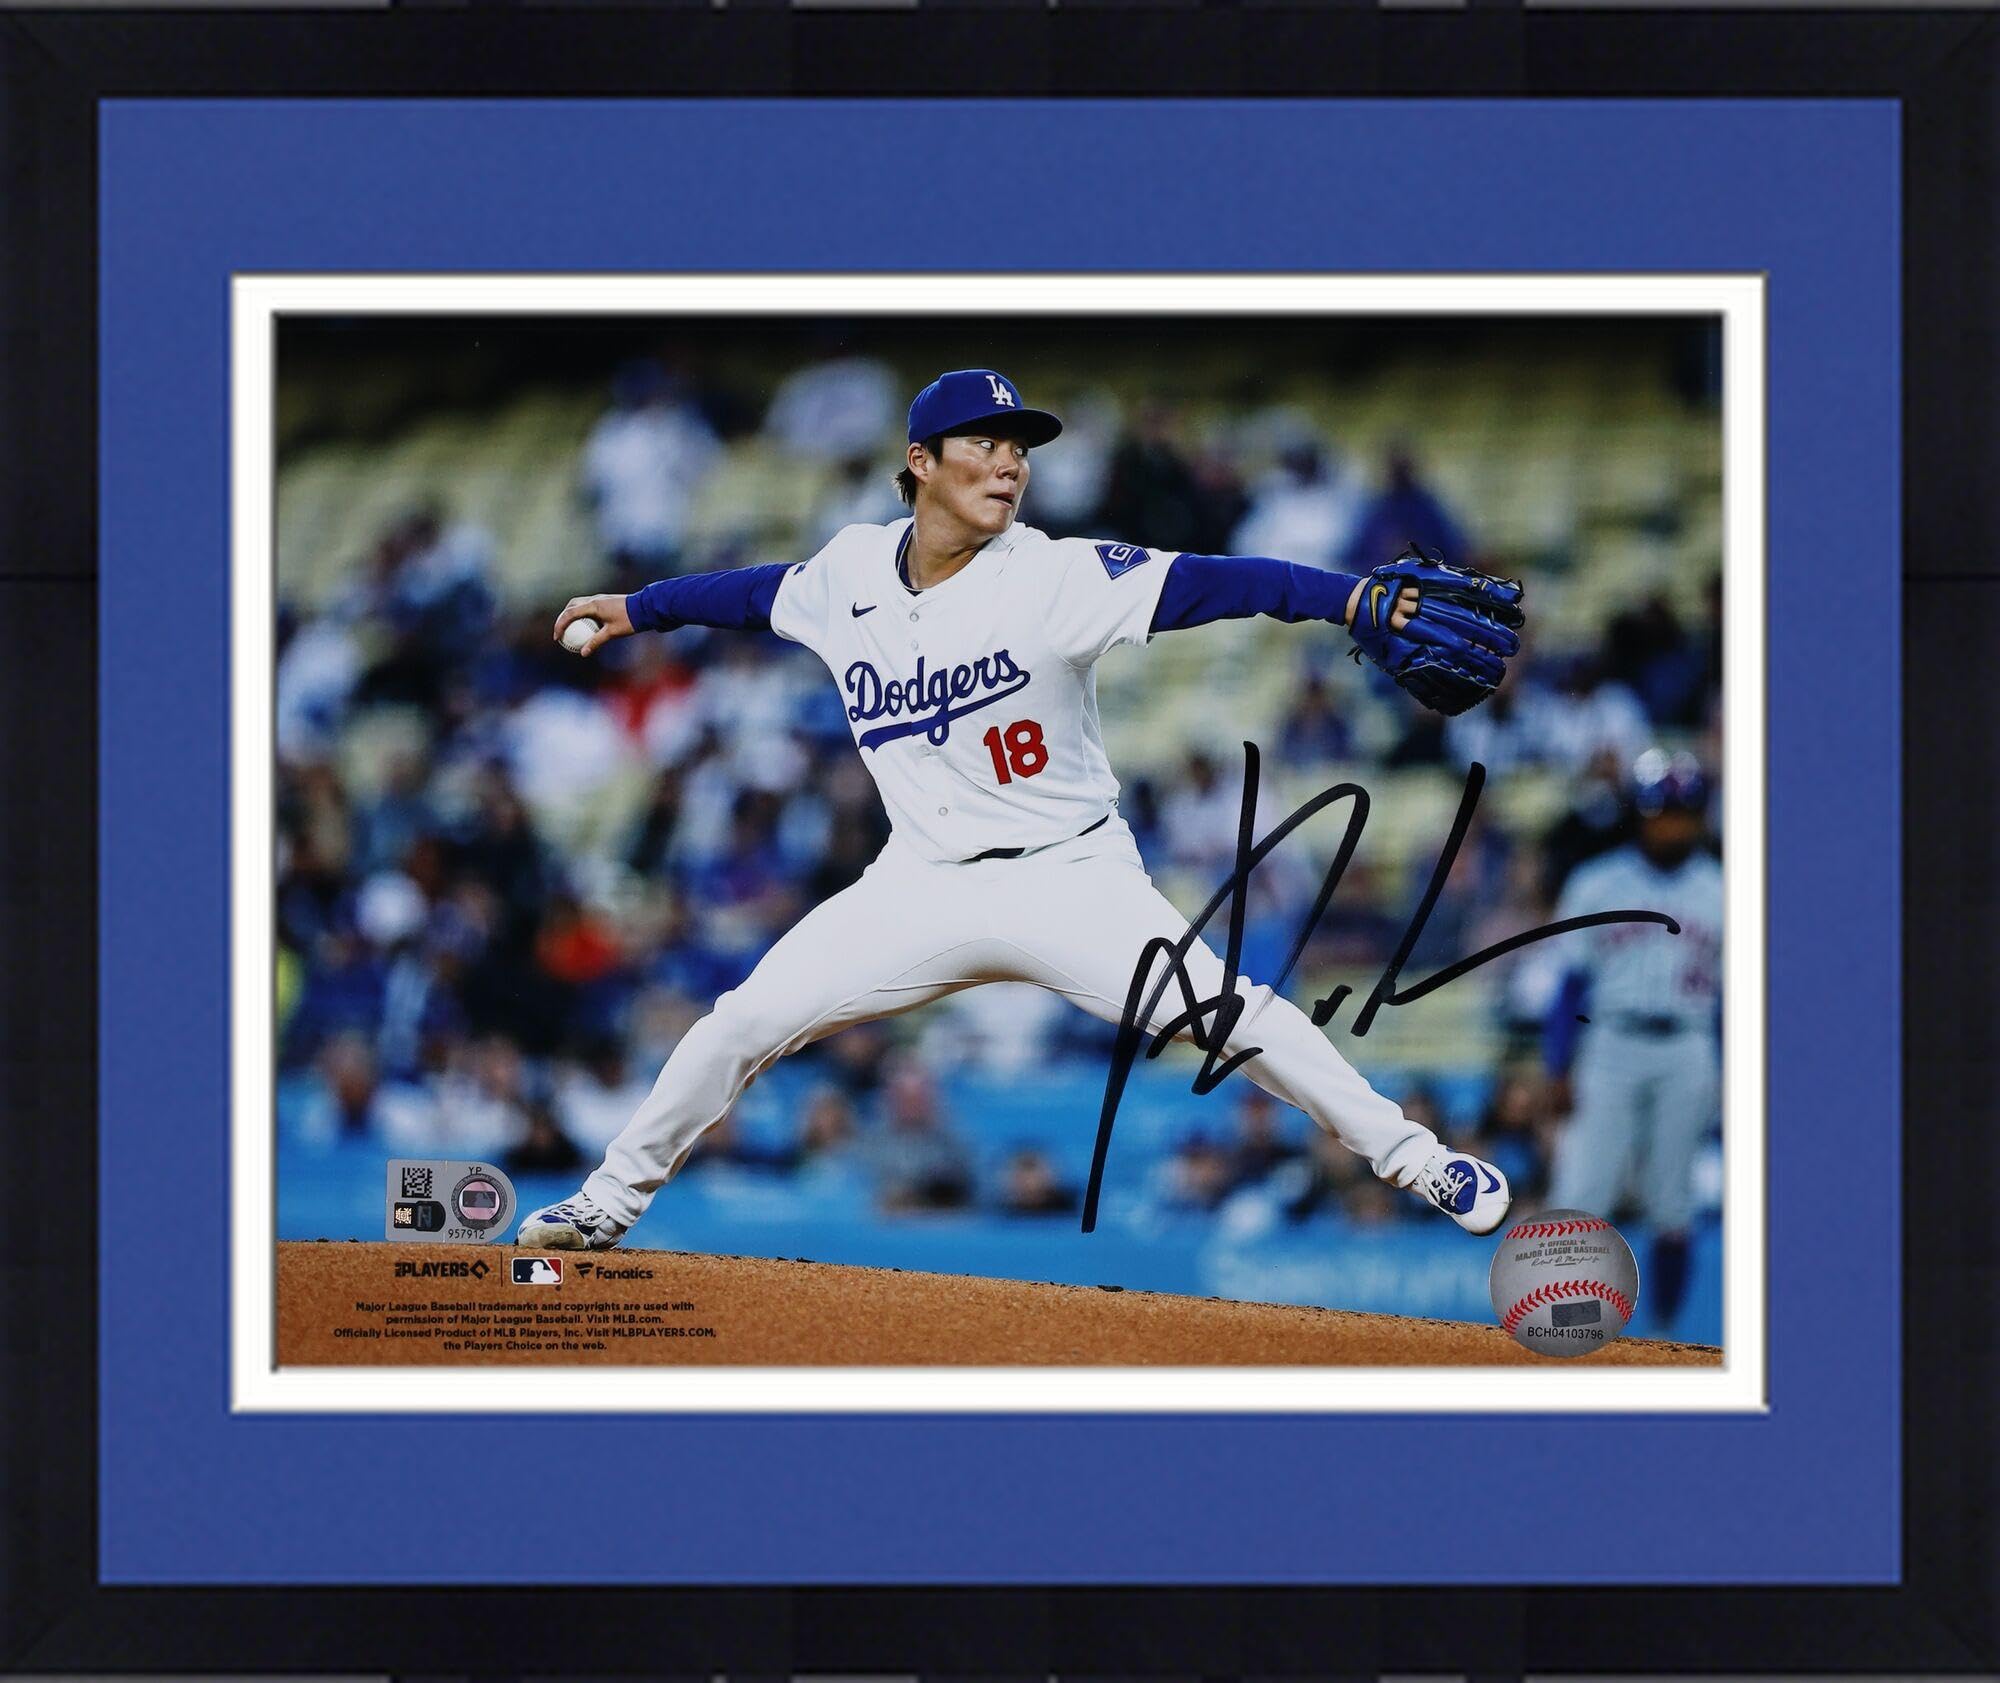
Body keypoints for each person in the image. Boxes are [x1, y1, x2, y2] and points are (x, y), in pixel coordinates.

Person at [518, 369, 1518, 1252]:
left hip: (1069, 879)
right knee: (739, 1023)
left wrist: (1347, 601)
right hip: (915, 884)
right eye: (984, 445)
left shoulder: (1052, 574)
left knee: (1227, 1018)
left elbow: (1221, 583)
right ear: (919, 462)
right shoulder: (849, 574)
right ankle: (604, 1205)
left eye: (1019, 448)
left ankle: (1418, 1161)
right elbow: (751, 594)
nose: (1009, 466)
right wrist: (637, 607)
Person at [1541, 749, 1722, 1332]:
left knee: (1674, 1200)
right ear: (1638, 815)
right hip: (1612, 1043)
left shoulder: (1725, 890)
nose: (1670, 823)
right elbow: (1569, 984)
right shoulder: (1597, 883)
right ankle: (1566, 1331)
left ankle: (1666, 1337)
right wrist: (1557, 1064)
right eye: (1659, 812)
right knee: (1584, 1189)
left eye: (1681, 812)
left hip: (1688, 1045)